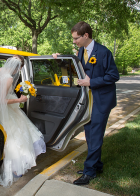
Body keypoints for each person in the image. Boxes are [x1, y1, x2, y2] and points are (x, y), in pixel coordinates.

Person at [53, 21, 119, 185]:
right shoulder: (81, 50)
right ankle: (97, 165)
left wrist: (92, 82)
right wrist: (61, 59)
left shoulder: (104, 52)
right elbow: (76, 67)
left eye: (76, 38)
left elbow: (114, 76)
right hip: (88, 100)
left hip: (102, 100)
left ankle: (89, 172)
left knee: (95, 134)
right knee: (90, 132)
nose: (74, 42)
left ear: (86, 35)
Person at [0, 55, 46, 187]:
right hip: (5, 108)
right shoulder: (9, 78)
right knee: (17, 136)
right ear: (17, 68)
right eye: (20, 69)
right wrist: (20, 100)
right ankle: (15, 168)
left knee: (15, 134)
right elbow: (2, 100)